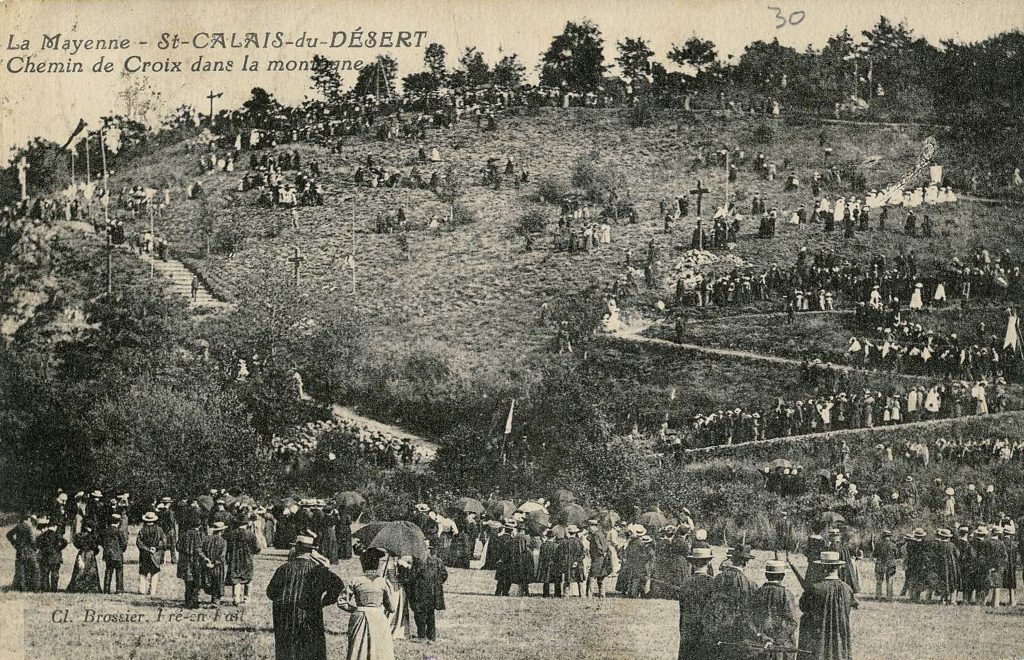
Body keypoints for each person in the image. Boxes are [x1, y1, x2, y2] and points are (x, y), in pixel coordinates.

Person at [267, 534, 346, 660]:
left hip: (285, 617)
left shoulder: (283, 569)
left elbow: (270, 593)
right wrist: (325, 601)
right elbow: (338, 585)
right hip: (310, 617)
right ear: (312, 552)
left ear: (296, 549)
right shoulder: (319, 570)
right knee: (310, 649)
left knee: (286, 650)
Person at [798, 551, 856, 660]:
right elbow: (848, 610)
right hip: (840, 634)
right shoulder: (847, 589)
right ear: (838, 568)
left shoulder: (814, 589)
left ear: (822, 567)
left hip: (818, 635)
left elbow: (803, 607)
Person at [339, 547, 394, 660]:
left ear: (363, 564)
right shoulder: (383, 582)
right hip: (378, 618)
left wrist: (354, 609)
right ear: (377, 565)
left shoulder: (355, 580)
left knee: (358, 647)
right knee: (379, 648)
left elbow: (341, 601)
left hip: (359, 617)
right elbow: (392, 608)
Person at [708, 544, 757, 659]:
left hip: (718, 628)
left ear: (732, 559)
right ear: (745, 562)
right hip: (738, 631)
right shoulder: (749, 584)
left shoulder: (718, 579)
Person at [750, 560, 799, 660]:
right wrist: (776, 639)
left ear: (766, 574)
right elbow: (792, 622)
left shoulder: (757, 592)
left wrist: (763, 637)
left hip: (760, 644)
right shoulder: (786, 594)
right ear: (783, 576)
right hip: (781, 646)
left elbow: (750, 619)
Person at [678, 546, 716, 659]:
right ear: (709, 563)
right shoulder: (712, 583)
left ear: (693, 563)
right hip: (705, 631)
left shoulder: (685, 583)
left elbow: (682, 609)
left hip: (688, 629)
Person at [405, 541, 448, 641]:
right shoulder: (437, 561)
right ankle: (431, 635)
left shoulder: (417, 562)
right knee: (430, 614)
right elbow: (444, 575)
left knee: (420, 614)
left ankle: (422, 635)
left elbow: (412, 577)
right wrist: (436, 584)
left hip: (419, 592)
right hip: (432, 593)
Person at [225, 515, 261, 605]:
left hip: (234, 559)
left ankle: (236, 598)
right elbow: (257, 548)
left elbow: (227, 547)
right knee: (248, 578)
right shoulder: (250, 534)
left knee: (236, 578)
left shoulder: (232, 534)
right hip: (247, 559)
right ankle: (246, 598)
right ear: (246, 523)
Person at [178, 519, 208, 609]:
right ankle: (194, 602)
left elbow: (177, 546)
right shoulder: (199, 535)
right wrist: (205, 558)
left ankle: (187, 601)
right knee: (196, 582)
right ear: (199, 526)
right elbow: (198, 549)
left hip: (184, 561)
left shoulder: (183, 534)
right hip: (196, 561)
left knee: (188, 582)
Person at [6, 512, 39, 591]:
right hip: (29, 551)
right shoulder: (28, 527)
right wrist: (36, 549)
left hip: (20, 551)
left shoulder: (19, 526)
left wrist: (15, 544)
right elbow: (32, 541)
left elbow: (8, 534)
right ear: (28, 519)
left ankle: (22, 588)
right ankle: (35, 588)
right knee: (34, 569)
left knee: (21, 570)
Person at [137, 511, 166, 595]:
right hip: (156, 555)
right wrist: (155, 548)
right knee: (155, 572)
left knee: (143, 572)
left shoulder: (142, 530)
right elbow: (163, 542)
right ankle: (152, 591)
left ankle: (142, 590)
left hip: (144, 554)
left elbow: (139, 543)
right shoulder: (159, 530)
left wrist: (147, 549)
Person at [67, 523, 102, 593]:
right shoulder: (92, 536)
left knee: (79, 570)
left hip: (81, 553)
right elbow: (95, 547)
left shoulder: (79, 536)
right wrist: (95, 551)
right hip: (90, 554)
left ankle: (77, 587)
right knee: (90, 571)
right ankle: (90, 587)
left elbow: (75, 543)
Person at [36, 517, 67, 592]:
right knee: (55, 573)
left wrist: (43, 549)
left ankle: (46, 588)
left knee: (45, 573)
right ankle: (54, 589)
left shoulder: (43, 535)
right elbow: (65, 542)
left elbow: (37, 543)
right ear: (55, 526)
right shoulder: (57, 535)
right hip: (55, 556)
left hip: (45, 556)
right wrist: (59, 548)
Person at [101, 514, 128, 593]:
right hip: (117, 555)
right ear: (119, 522)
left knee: (108, 571)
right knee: (119, 571)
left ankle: (106, 589)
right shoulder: (119, 532)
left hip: (108, 554)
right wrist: (121, 550)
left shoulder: (105, 531)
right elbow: (124, 543)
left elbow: (102, 542)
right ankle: (119, 589)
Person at [586, 519, 612, 597]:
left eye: (590, 526)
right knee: (601, 576)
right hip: (601, 557)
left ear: (594, 526)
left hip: (597, 557)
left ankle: (589, 594)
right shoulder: (600, 533)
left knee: (592, 576)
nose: (589, 528)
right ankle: (602, 594)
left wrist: (602, 553)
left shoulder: (596, 535)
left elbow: (599, 546)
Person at [873, 530, 897, 601]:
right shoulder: (893, 545)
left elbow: (874, 554)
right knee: (889, 581)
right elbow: (896, 555)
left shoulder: (878, 544)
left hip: (880, 564)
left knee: (879, 581)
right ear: (889, 537)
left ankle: (878, 596)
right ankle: (889, 597)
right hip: (890, 564)